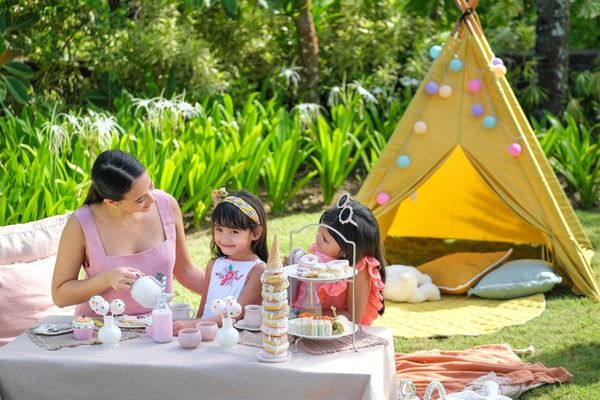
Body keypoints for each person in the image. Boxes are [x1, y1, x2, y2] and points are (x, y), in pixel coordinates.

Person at [51, 150, 204, 316]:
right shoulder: (80, 224)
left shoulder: (166, 205)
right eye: (140, 199)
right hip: (101, 331)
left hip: (158, 327)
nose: (152, 200)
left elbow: (185, 270)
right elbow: (60, 296)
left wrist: (230, 295)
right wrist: (106, 279)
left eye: (150, 186)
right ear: (111, 202)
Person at [172, 188, 267, 334]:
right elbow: (203, 309)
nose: (224, 238)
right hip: (204, 332)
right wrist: (194, 325)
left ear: (255, 233)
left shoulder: (258, 270)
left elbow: (236, 313)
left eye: (234, 232)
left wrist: (193, 324)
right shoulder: (214, 264)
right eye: (219, 229)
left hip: (231, 336)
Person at [293, 193, 386, 325]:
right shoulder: (323, 251)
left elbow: (354, 317)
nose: (317, 238)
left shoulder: (359, 268)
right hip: (308, 324)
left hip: (338, 330)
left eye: (325, 239)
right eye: (319, 231)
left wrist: (304, 314)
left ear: (344, 251)